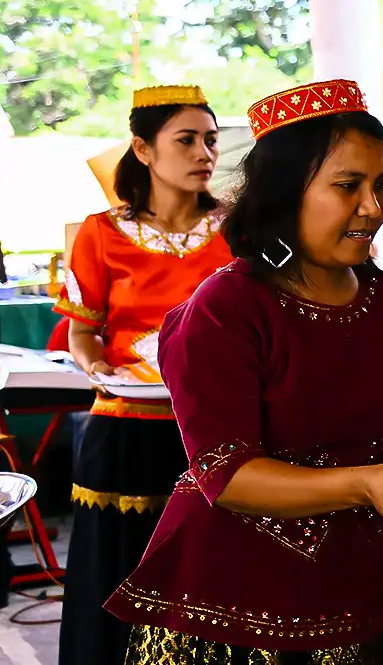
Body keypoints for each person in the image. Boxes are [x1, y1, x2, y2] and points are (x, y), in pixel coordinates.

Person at [105, 79, 383, 662]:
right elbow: (227, 474)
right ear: (284, 192)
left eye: (380, 186)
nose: (373, 207)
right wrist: (361, 484)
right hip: (236, 605)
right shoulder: (228, 307)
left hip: (361, 592)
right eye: (347, 186)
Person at [54, 84, 232, 665]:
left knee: (209, 583)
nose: (204, 152)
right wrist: (96, 365)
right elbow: (84, 331)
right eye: (186, 140)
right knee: (116, 573)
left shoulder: (239, 232)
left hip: (213, 432)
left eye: (210, 140)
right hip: (126, 425)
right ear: (143, 149)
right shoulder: (99, 234)